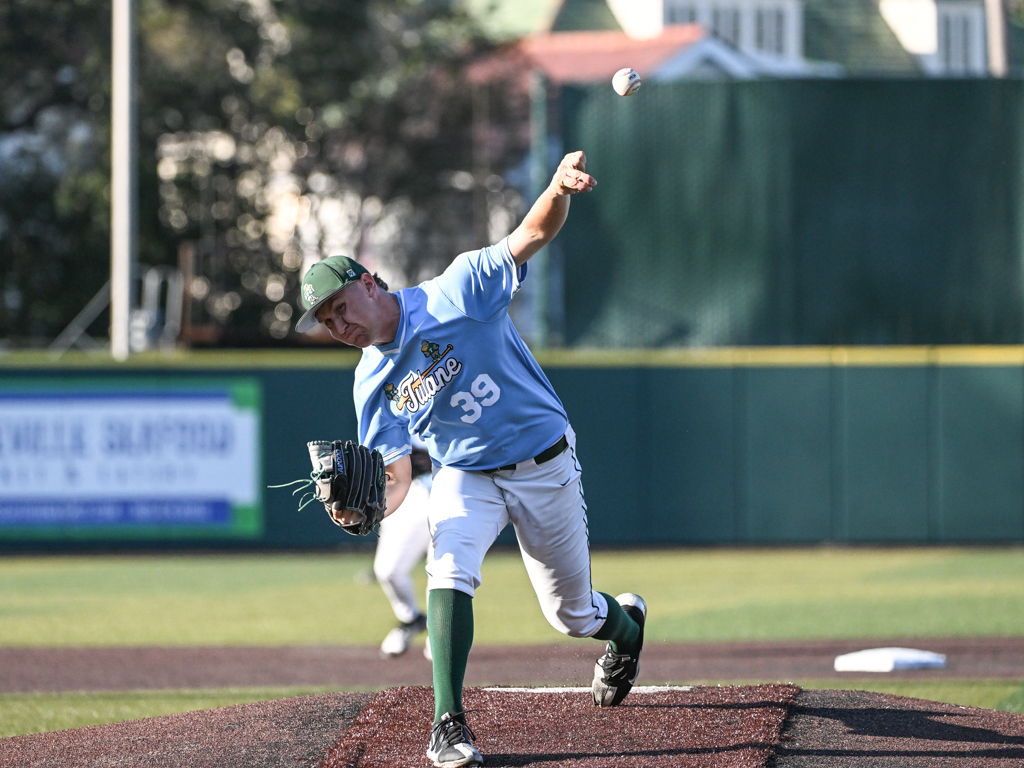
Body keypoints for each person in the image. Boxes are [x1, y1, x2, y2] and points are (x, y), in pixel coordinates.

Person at [295, 151, 646, 768]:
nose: (339, 324)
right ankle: (448, 724)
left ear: (370, 282)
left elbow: (532, 234)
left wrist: (558, 187)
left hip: (543, 463)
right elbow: (397, 475)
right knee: (448, 567)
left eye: (341, 306)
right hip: (465, 474)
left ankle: (626, 627)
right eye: (327, 321)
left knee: (571, 614)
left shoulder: (456, 289)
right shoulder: (369, 382)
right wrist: (369, 510)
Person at [374, 444, 432, 658]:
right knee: (388, 570)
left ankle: (441, 633)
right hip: (408, 492)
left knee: (443, 573)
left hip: (448, 486)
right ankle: (411, 619)